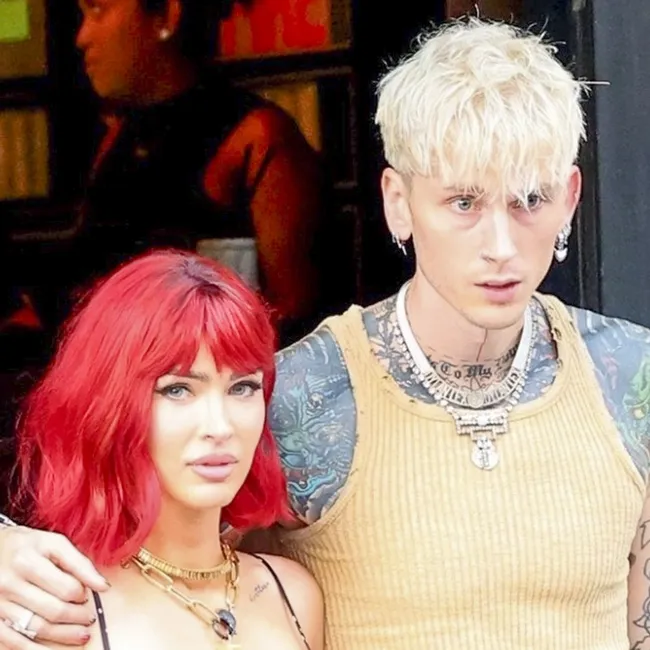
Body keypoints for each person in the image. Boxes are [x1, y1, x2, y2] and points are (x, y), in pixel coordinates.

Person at [2, 14, 650, 650]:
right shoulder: (301, 395)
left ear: (570, 197)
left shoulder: (632, 378)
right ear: (398, 202)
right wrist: (7, 548)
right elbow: (160, 562)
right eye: (464, 202)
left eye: (529, 200)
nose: (501, 246)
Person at [0, 250, 323, 649]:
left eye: (242, 387)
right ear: (110, 406)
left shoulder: (293, 596)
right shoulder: (58, 612)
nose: (220, 426)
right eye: (178, 390)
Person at [52, 0, 336, 346]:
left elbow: (299, 325)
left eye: (98, 10)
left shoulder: (256, 139)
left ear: (166, 16)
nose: (82, 37)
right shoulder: (117, 141)